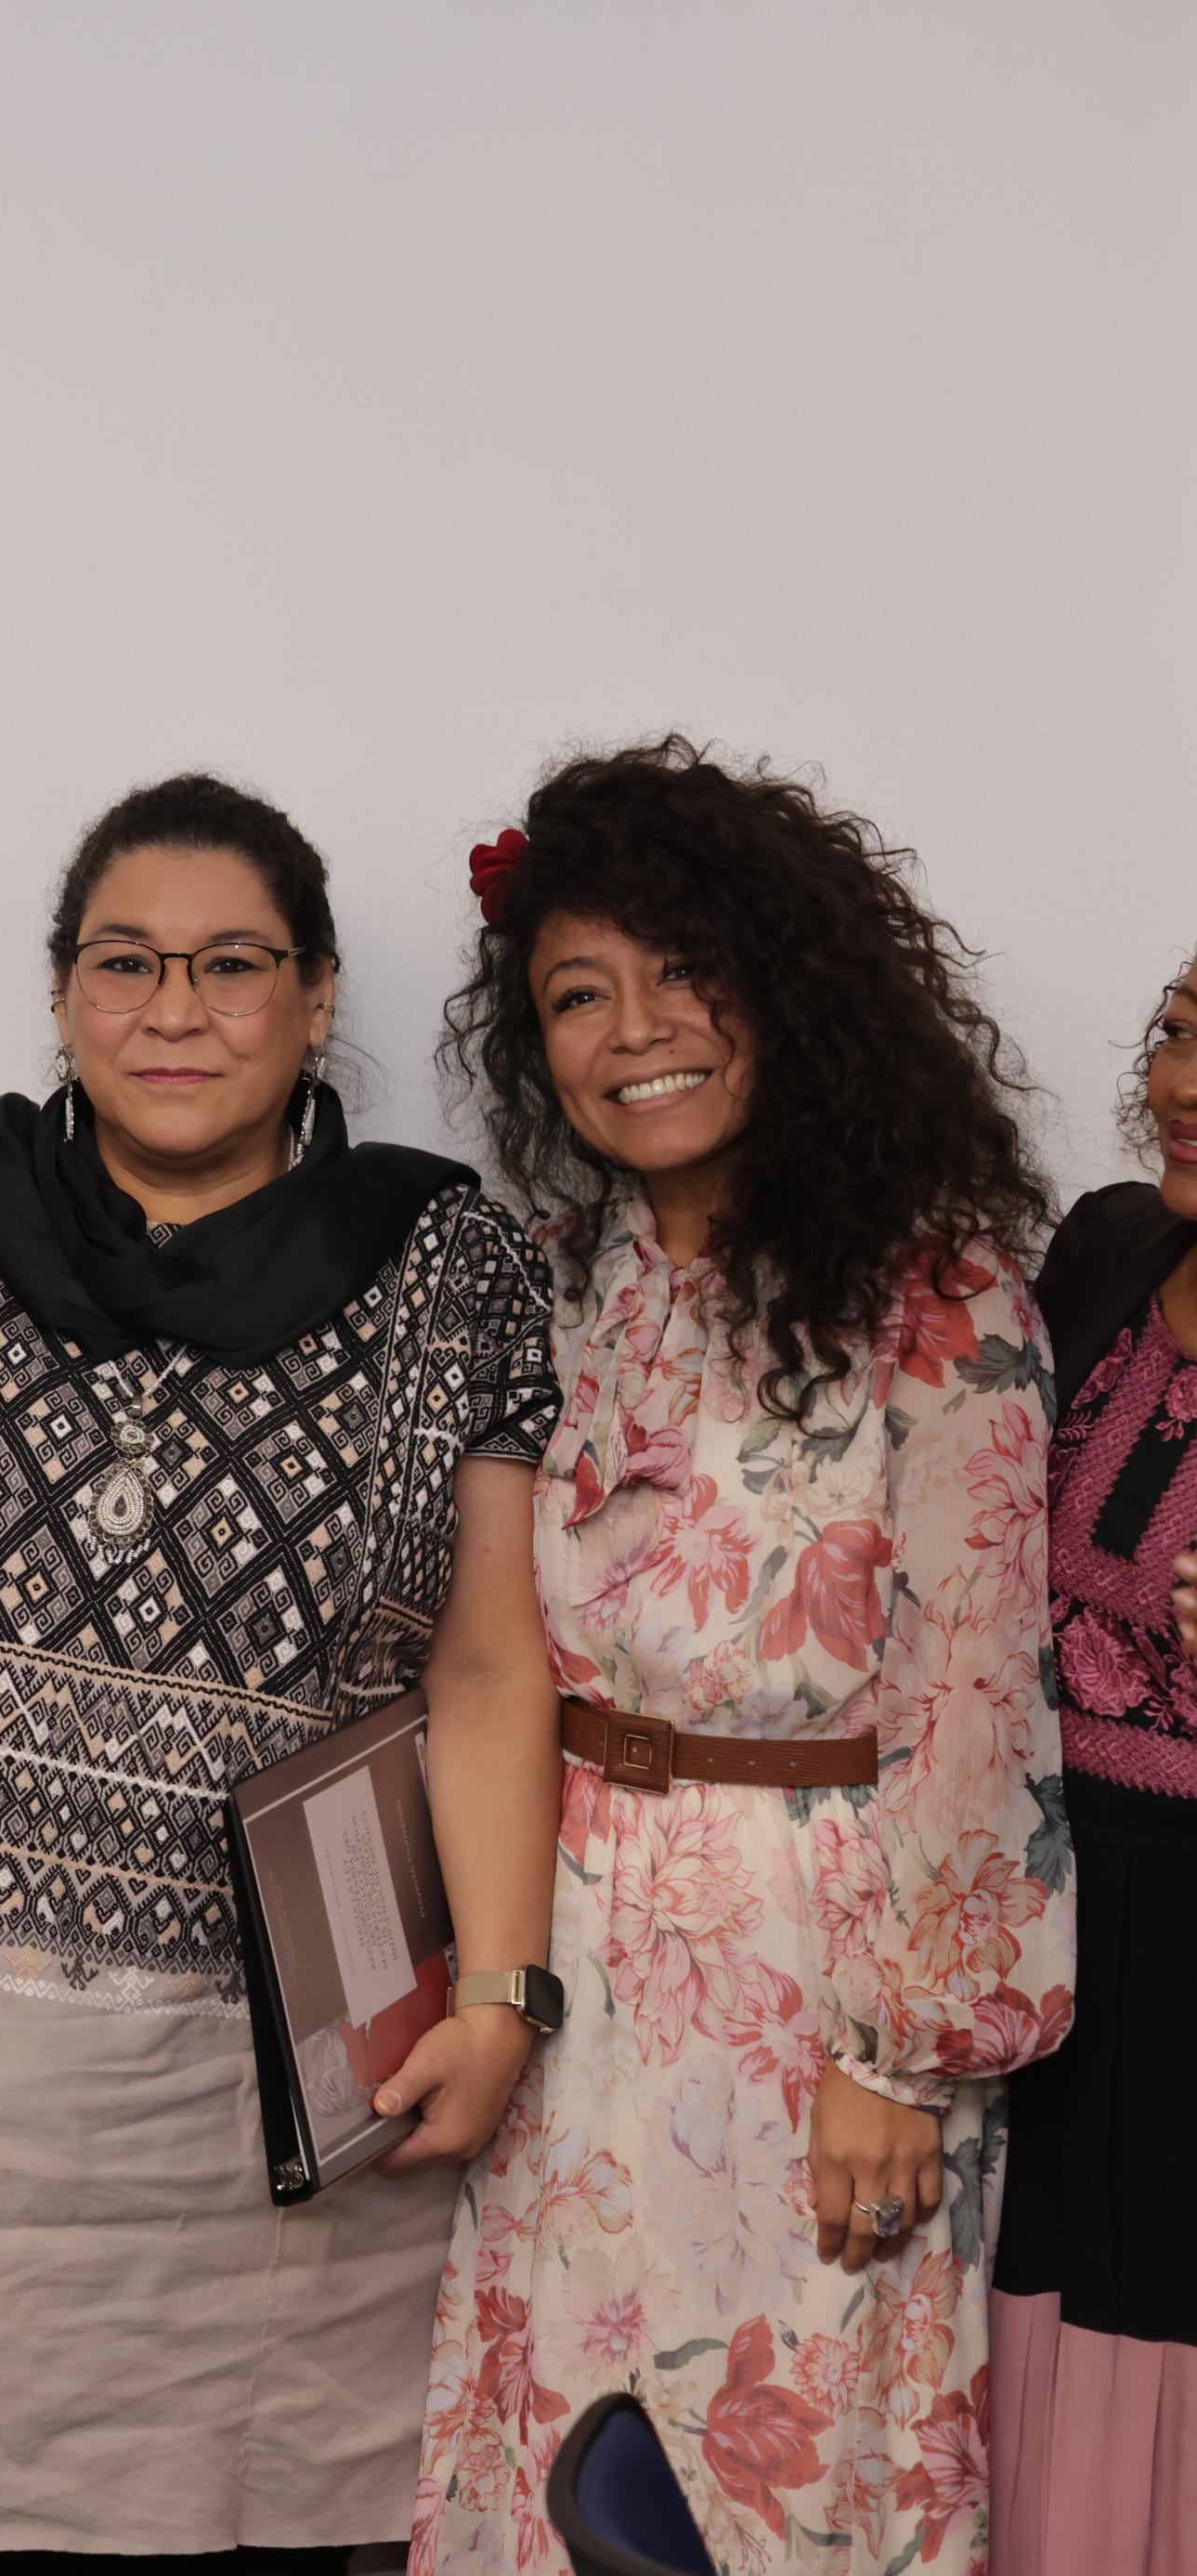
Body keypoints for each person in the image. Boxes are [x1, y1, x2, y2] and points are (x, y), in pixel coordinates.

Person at [0, 774, 566, 2572]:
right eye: (124, 962)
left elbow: (486, 1658)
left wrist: (507, 1989)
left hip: (286, 2054)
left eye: (232, 965)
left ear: (314, 997)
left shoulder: (443, 1259)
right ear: (63, 991)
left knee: (272, 2520)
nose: (174, 1008)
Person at [417, 740, 1073, 2575]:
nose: (637, 1027)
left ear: (781, 983)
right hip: (570, 1959)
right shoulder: (545, 1282)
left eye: (684, 969)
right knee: (550, 2472)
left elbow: (973, 1704)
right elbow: (476, 1654)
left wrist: (900, 2057)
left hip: (821, 1978)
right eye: (577, 992)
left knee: (789, 2489)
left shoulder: (937, 1293)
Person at [984, 947, 1197, 2574]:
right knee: (1034, 2285)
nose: (1187, 1086)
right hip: (1055, 1904)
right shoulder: (1113, 1244)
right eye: (1184, 1034)